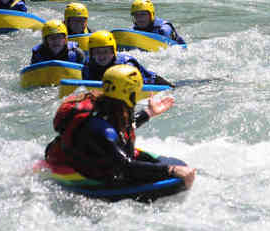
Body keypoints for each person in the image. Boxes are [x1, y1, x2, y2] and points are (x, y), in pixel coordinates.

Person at [44, 64, 196, 189]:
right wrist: (172, 170)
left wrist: (149, 112)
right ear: (128, 94)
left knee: (169, 164)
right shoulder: (100, 127)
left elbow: (123, 129)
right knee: (170, 168)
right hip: (81, 164)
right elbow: (124, 166)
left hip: (97, 151)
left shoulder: (107, 104)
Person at [82, 30, 172, 86]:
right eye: (97, 52)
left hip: (153, 82)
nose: (101, 56)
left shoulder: (125, 65)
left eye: (105, 52)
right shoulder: (88, 64)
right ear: (91, 53)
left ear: (113, 51)